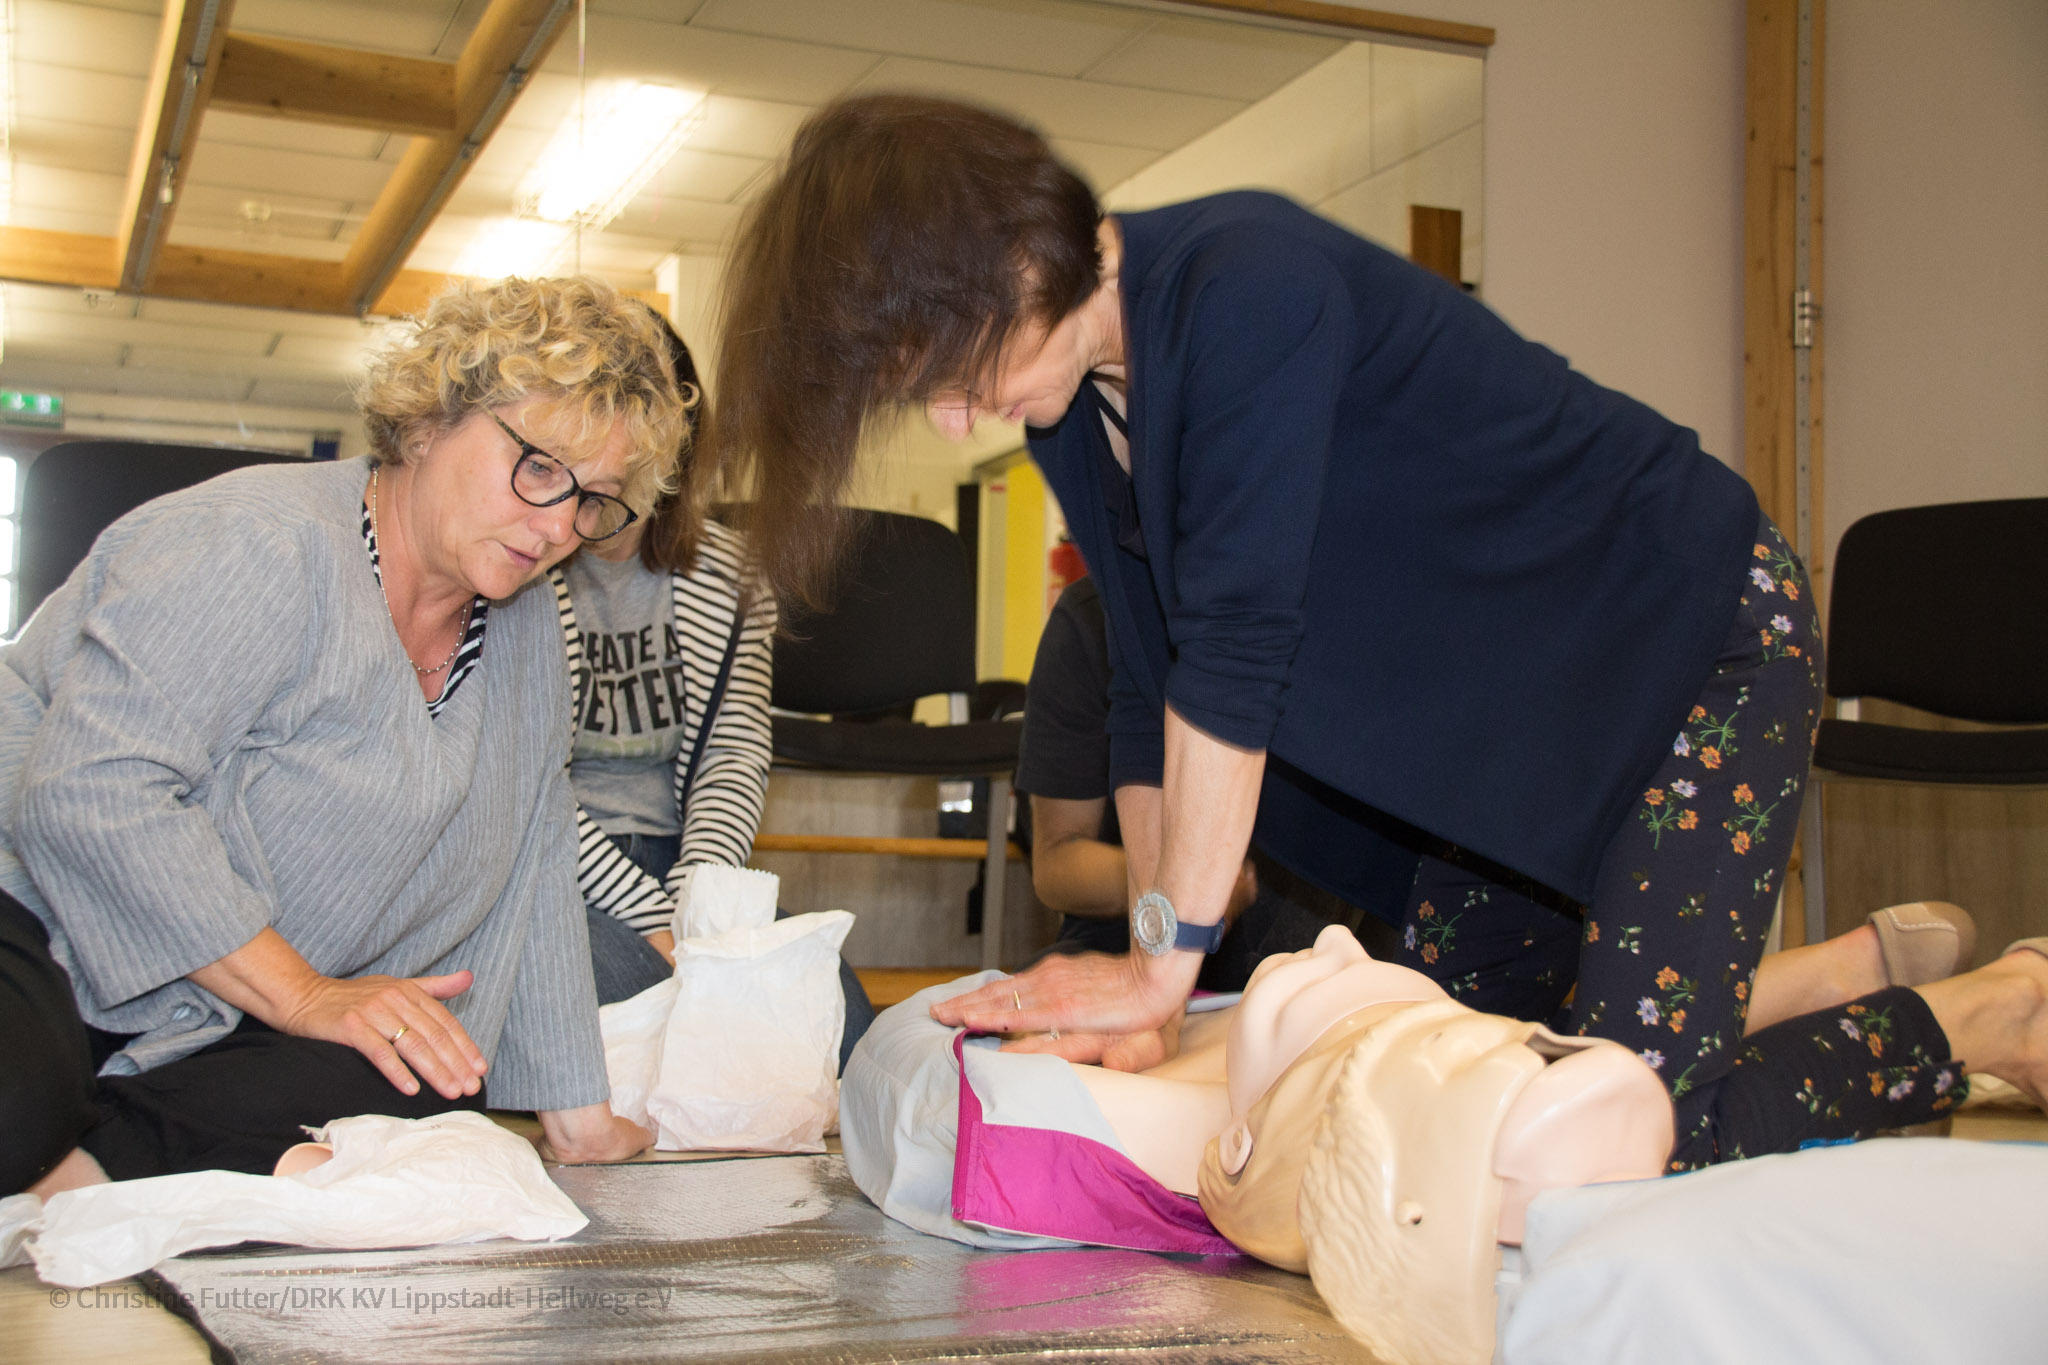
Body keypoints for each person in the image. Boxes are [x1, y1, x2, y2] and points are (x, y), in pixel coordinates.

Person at [705, 93, 2048, 1161]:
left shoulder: (1244, 282)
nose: (955, 422)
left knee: (1631, 1135)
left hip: (1688, 649)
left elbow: (1234, 649)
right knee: (1468, 1102)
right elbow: (1145, 675)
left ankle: (1983, 1015)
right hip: (1500, 743)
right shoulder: (1073, 401)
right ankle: (1846, 978)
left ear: (1018, 253)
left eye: (954, 371)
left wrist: (1159, 976)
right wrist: (1140, 955)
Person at [0, 276, 669, 1199]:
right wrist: (306, 995)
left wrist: (577, 1113)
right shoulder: (255, 542)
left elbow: (536, 857)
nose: (557, 526)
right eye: (540, 468)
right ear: (431, 421)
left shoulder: (527, 627)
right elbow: (92, 792)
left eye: (592, 499)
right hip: (40, 926)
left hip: (219, 1003)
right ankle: (90, 1155)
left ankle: (93, 1162)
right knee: (14, 1104)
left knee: (426, 1071)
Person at [554, 313, 875, 1067]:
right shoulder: (515, 567)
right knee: (636, 997)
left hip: (687, 862)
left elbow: (732, 751)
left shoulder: (733, 577)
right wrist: (652, 921)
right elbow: (523, 793)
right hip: (557, 868)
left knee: (837, 1016)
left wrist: (701, 904)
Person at [1020, 574, 1402, 985]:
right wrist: (1187, 888)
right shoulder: (1089, 619)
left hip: (1318, 939)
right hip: (1134, 936)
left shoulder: (1333, 611)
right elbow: (1056, 865)